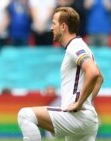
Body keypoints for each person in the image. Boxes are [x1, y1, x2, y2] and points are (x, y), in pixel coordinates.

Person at [17, 7, 104, 141]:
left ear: (63, 26)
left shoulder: (75, 46)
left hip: (77, 117)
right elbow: (99, 79)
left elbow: (93, 72)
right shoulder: (81, 46)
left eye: (54, 23)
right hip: (85, 120)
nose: (51, 28)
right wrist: (86, 103)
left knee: (25, 115)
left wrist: (79, 104)